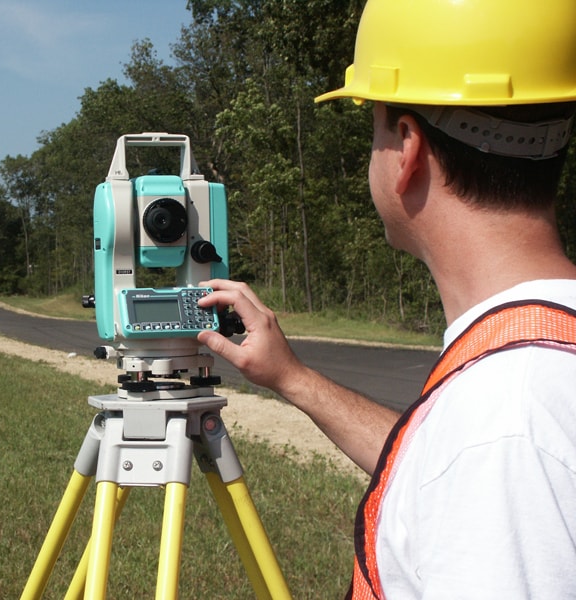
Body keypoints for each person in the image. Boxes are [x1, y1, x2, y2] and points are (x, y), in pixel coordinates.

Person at [196, 0, 576, 597]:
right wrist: (293, 379)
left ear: (406, 149)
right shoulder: (540, 353)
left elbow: (485, 458)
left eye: (371, 128)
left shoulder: (503, 424)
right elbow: (439, 468)